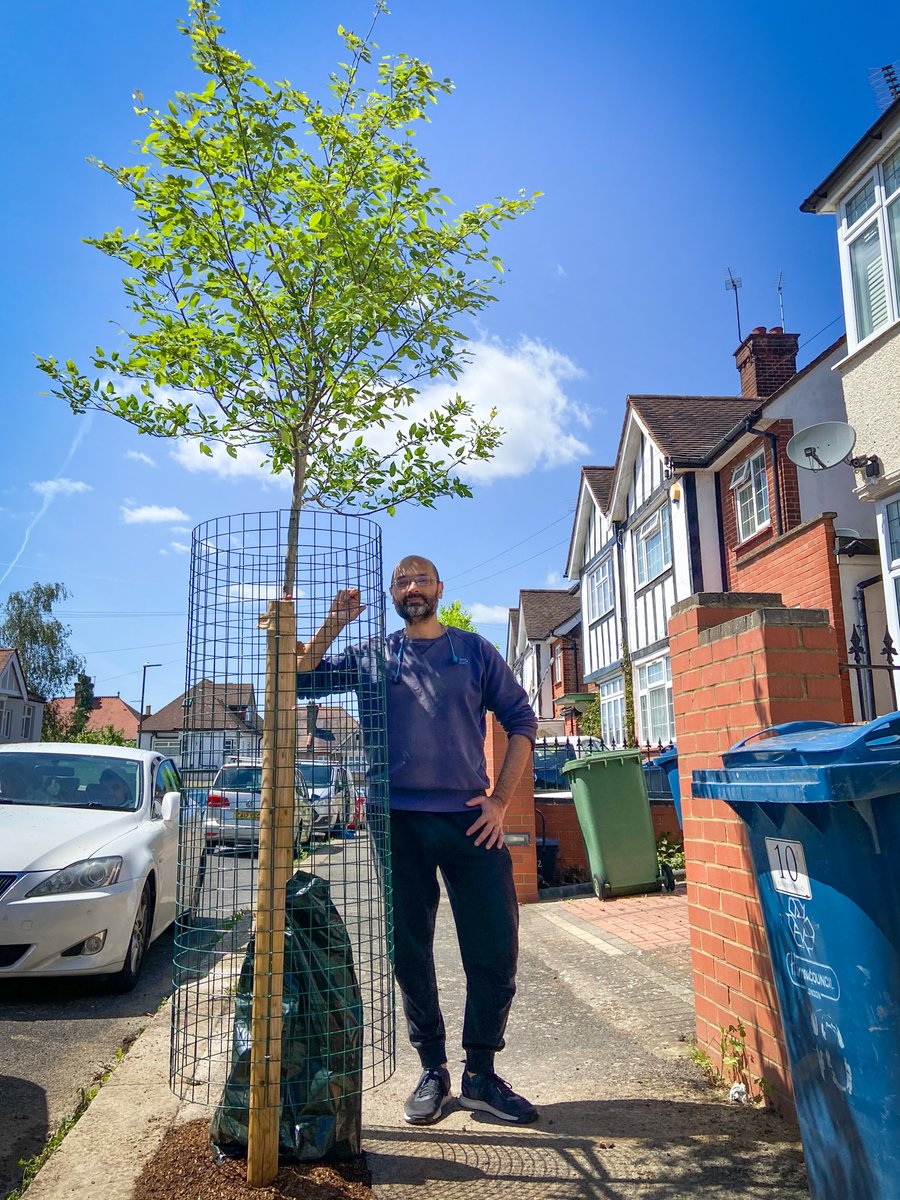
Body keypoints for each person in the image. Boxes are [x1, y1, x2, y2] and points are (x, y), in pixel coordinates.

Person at [296, 555, 539, 1127]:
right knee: (409, 948)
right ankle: (432, 1068)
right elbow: (303, 678)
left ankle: (480, 1073)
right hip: (395, 819)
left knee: (496, 945)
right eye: (402, 580)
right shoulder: (373, 654)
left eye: (421, 578)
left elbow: (522, 721)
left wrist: (501, 801)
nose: (412, 587)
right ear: (392, 593)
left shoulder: (473, 651)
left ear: (439, 587)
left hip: (469, 819)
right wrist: (335, 621)